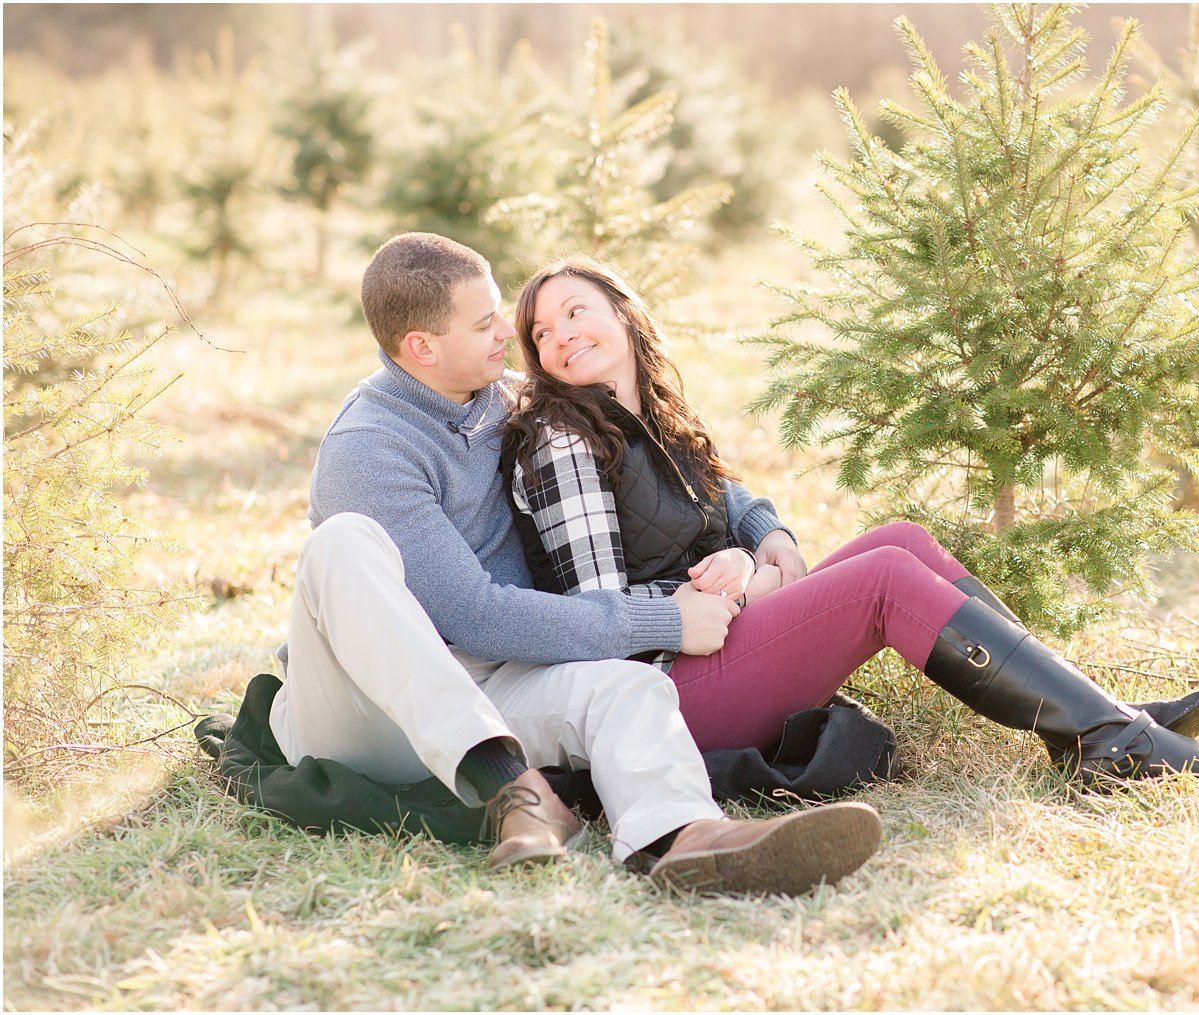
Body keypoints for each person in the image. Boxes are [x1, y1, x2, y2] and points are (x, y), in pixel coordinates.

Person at [268, 232, 884, 896]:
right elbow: (476, 615)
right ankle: (514, 792)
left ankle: (687, 837)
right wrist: (663, 620)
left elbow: (676, 461)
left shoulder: (500, 397)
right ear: (423, 347)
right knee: (342, 543)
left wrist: (763, 527)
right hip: (365, 709)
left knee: (628, 687)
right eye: (484, 323)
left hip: (494, 684)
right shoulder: (370, 448)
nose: (509, 330)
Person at [503, 254, 1199, 783]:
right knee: (885, 578)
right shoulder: (563, 439)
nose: (562, 334)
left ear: (625, 316)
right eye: (542, 331)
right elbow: (595, 615)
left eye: (577, 311)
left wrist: (768, 540)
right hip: (662, 692)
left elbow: (730, 499)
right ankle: (1116, 741)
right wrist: (739, 591)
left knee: (902, 539)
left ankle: (1095, 719)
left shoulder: (646, 414)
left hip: (714, 650)